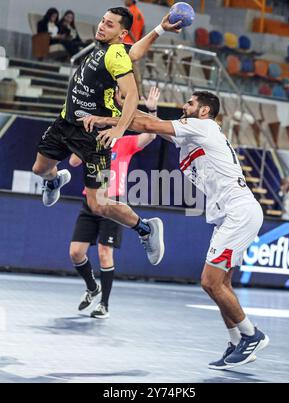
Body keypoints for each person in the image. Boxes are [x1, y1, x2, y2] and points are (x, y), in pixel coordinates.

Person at [82, 91, 270, 369]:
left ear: (205, 111)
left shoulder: (202, 127)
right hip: (228, 216)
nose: (184, 106)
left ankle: (252, 335)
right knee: (222, 284)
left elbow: (147, 126)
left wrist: (102, 119)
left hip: (239, 213)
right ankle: (235, 340)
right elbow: (152, 124)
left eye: (191, 103)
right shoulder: (191, 134)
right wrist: (129, 109)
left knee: (210, 282)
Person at [32, 7, 181, 267]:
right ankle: (55, 181)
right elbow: (134, 52)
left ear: (121, 33)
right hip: (66, 121)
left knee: (98, 204)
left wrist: (119, 130)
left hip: (94, 137)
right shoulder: (108, 47)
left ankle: (146, 228)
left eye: (109, 24)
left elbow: (132, 96)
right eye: (102, 20)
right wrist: (159, 29)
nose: (102, 26)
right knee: (40, 169)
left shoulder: (114, 55)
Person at [70, 86, 160, 319]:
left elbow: (150, 135)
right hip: (90, 200)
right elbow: (72, 162)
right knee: (76, 253)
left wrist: (152, 110)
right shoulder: (93, 141)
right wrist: (83, 141)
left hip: (112, 202)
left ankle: (104, 305)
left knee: (104, 252)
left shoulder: (125, 142)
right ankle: (92, 287)